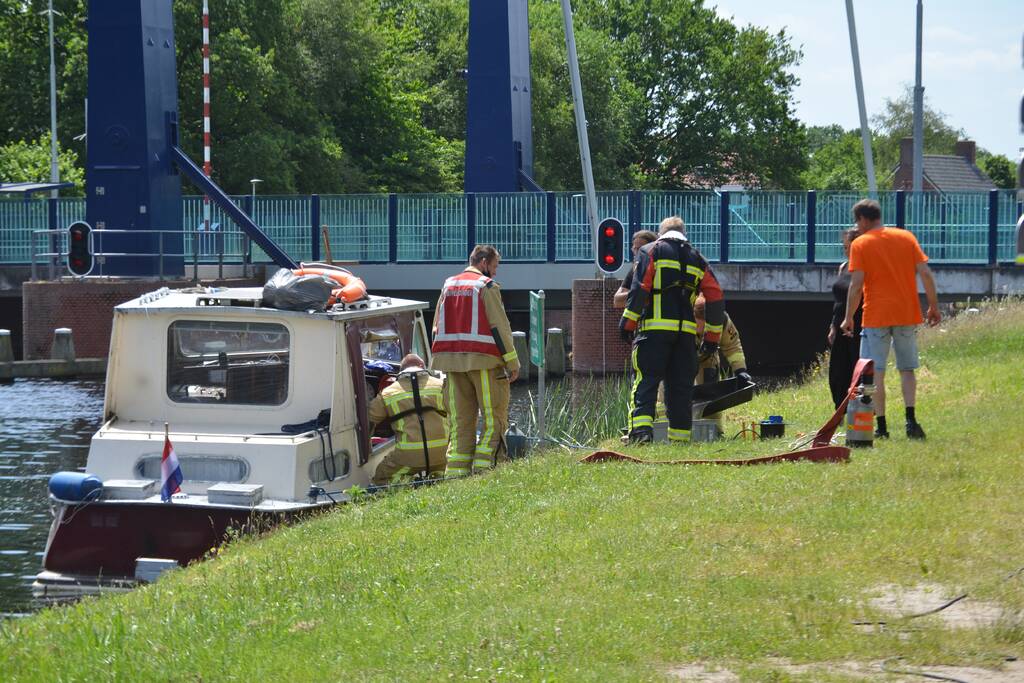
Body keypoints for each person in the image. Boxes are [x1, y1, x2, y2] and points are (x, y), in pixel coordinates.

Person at [619, 216, 725, 444]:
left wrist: (628, 323)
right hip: (685, 336)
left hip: (653, 332)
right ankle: (680, 439)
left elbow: (640, 288)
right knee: (680, 388)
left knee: (646, 381)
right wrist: (712, 338)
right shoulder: (698, 258)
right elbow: (715, 296)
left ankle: (641, 434)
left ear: (661, 234)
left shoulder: (650, 251)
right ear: (684, 234)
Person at [841, 199, 941, 440]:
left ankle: (882, 427)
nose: (857, 226)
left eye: (857, 221)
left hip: (876, 316)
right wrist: (933, 307)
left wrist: (848, 317)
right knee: (907, 368)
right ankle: (911, 421)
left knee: (876, 372)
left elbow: (856, 286)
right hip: (906, 313)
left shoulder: (861, 244)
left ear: (863, 219)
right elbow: (926, 274)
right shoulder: (906, 237)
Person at [431, 245, 520, 475]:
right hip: (485, 362)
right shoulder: (486, 286)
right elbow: (499, 327)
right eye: (495, 266)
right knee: (493, 419)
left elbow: (436, 327)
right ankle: (485, 471)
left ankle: (455, 475)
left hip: (451, 365)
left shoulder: (448, 285)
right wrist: (512, 362)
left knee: (460, 422)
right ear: (483, 262)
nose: (495, 271)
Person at [367, 354, 448, 485]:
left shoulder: (387, 393)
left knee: (381, 478)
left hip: (408, 457)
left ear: (401, 370)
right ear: (422, 366)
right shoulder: (441, 386)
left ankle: (411, 485)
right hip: (442, 453)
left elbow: (369, 421)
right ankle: (436, 480)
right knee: (443, 474)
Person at [827, 227, 863, 408]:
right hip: (840, 323)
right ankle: (839, 409)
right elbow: (838, 300)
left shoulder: (864, 269)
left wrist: (850, 318)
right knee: (837, 370)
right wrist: (833, 326)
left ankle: (859, 408)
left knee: (856, 367)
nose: (847, 251)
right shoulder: (843, 267)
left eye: (850, 247)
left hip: (858, 323)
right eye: (845, 247)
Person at [612, 230, 659, 308]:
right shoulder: (634, 269)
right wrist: (639, 293)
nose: (636, 253)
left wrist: (635, 295)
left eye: (640, 249)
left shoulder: (658, 269)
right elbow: (617, 301)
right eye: (634, 249)